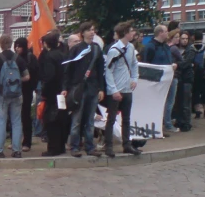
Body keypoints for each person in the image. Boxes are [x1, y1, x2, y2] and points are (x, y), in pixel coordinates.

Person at [62, 22, 104, 157]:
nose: (92, 32)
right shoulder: (76, 49)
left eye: (93, 30)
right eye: (89, 30)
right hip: (78, 88)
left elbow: (100, 70)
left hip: (92, 88)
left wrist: (101, 89)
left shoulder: (97, 48)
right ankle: (74, 146)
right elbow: (68, 70)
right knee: (77, 119)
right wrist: (65, 88)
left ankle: (90, 147)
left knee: (90, 120)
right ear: (83, 33)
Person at [0, 35, 30, 158]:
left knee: (1, 123)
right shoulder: (19, 59)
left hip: (1, 95)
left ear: (0, 44)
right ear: (11, 44)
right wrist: (16, 82)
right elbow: (27, 77)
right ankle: (17, 150)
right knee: (16, 122)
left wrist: (0, 83)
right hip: (17, 95)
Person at [103, 21, 141, 157]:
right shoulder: (114, 50)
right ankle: (108, 146)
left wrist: (134, 79)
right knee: (111, 118)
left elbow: (134, 64)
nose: (134, 33)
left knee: (126, 119)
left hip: (127, 89)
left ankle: (127, 145)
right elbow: (108, 71)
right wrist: (113, 90)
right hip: (116, 90)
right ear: (125, 33)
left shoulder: (131, 48)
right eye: (131, 31)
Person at [39, 31, 70, 156]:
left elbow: (49, 76)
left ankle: (53, 148)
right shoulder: (62, 55)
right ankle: (61, 146)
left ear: (46, 44)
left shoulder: (49, 56)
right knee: (61, 119)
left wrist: (44, 91)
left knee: (51, 121)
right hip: (62, 91)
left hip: (52, 93)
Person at [143, 25, 178, 133]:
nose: (168, 34)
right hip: (157, 79)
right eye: (166, 31)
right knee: (158, 102)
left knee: (169, 102)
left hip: (169, 76)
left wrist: (172, 65)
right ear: (160, 33)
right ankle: (155, 125)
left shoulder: (166, 46)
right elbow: (146, 64)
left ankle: (166, 123)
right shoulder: (150, 47)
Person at [14, 37, 39, 152]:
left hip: (27, 91)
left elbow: (35, 74)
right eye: (16, 46)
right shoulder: (15, 58)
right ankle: (16, 140)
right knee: (16, 117)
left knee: (26, 116)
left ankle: (27, 141)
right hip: (15, 91)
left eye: (19, 46)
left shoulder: (30, 57)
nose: (17, 48)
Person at [173, 31, 195, 132]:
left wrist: (177, 65)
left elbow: (187, 62)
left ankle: (186, 122)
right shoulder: (175, 49)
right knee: (178, 101)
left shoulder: (191, 49)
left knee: (186, 102)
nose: (185, 40)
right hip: (178, 77)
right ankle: (179, 120)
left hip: (186, 78)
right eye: (183, 38)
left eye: (186, 38)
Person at [190, 31, 205, 119]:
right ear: (202, 38)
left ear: (194, 37)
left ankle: (198, 112)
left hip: (194, 72)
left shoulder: (191, 47)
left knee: (195, 92)